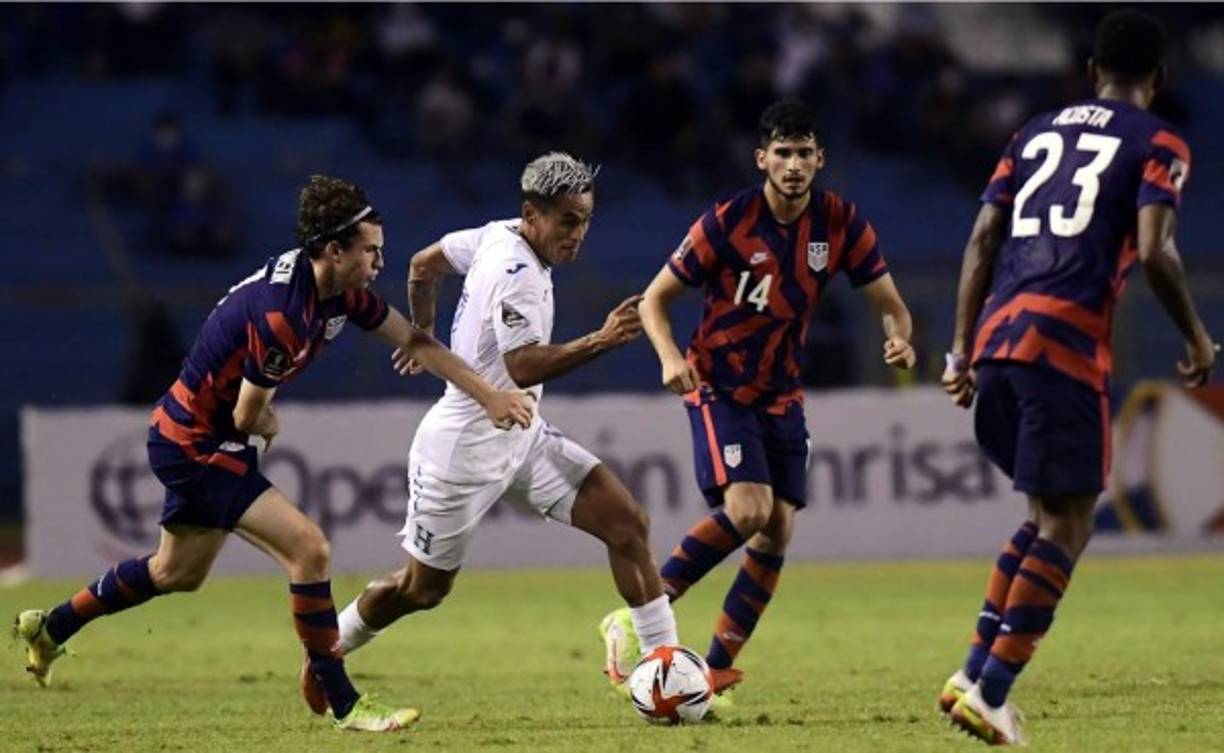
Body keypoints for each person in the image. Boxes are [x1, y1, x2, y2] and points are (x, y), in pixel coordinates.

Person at [13, 175, 533, 733]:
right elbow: (245, 415)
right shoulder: (284, 316)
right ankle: (346, 704)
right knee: (309, 549)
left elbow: (416, 342)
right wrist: (267, 418)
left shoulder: (337, 292)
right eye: (372, 252)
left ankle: (50, 626)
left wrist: (490, 394)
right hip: (197, 443)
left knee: (176, 572)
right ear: (334, 250)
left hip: (192, 434)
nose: (381, 262)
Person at [937, 10, 1217, 745]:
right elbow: (1156, 252)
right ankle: (993, 692)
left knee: (1042, 516)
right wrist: (1195, 335)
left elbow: (982, 237)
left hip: (997, 342)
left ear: (1092, 71)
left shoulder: (1032, 133)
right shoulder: (1159, 141)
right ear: (1156, 79)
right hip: (1061, 347)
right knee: (1070, 522)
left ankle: (972, 672)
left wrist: (960, 347)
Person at [312, 153, 679, 711]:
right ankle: (328, 653)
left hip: (521, 433)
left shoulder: (493, 234)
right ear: (532, 214)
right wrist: (601, 339)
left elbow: (421, 264)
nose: (578, 234)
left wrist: (425, 336)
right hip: (464, 448)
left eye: (585, 220)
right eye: (567, 221)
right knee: (421, 590)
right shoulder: (519, 274)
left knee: (627, 524)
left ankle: (667, 673)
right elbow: (524, 365)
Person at [600, 99, 917, 699]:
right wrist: (670, 357)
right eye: (783, 153)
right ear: (762, 158)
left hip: (781, 393)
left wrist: (899, 338)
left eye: (804, 153)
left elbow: (892, 307)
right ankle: (639, 611)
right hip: (717, 384)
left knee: (777, 530)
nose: (793, 165)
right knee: (749, 510)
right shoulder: (727, 221)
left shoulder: (842, 224)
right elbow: (652, 299)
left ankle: (714, 670)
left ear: (820, 159)